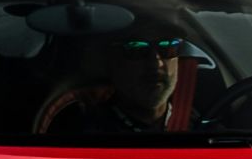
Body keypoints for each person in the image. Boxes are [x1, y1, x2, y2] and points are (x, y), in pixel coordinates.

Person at [43, 35, 192, 134]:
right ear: (111, 62)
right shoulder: (80, 130)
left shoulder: (199, 123)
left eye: (167, 47)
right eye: (136, 49)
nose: (156, 64)